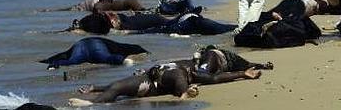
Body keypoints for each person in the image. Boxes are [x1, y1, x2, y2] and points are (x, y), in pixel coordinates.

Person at [69, 47, 268, 106]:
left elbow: (213, 79)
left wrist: (243, 73)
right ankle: (93, 102)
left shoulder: (203, 64)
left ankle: (184, 94)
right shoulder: (199, 63)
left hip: (177, 74)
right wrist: (97, 88)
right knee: (118, 87)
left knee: (181, 78)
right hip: (153, 77)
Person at [68, 10, 235, 36]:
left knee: (228, 29)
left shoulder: (127, 25)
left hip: (184, 22)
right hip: (185, 22)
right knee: (228, 29)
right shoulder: (127, 25)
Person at [40, 37, 148, 69]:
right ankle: (123, 61)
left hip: (80, 44)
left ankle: (54, 65)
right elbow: (125, 47)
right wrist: (144, 51)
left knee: (73, 61)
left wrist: (48, 61)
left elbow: (64, 54)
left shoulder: (79, 45)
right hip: (97, 44)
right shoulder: (108, 43)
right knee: (106, 58)